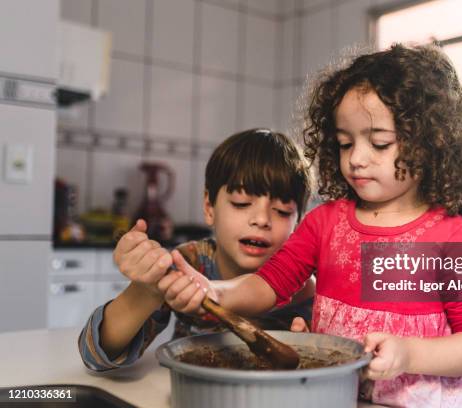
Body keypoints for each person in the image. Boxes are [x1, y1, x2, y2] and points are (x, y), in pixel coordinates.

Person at [159, 44, 462, 407]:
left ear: (430, 142)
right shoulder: (325, 223)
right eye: (344, 143)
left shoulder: (451, 236)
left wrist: (409, 355)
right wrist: (217, 292)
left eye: (379, 143)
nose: (356, 158)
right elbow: (270, 284)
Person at [78, 128, 314, 371]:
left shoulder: (304, 288)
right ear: (209, 207)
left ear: (299, 223)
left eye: (282, 211)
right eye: (241, 204)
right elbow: (95, 355)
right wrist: (147, 290)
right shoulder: (188, 264)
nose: (262, 219)